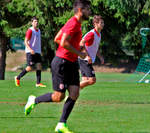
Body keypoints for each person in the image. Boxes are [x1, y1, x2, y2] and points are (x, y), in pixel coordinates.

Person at [24, 0, 91, 133]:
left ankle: (61, 124)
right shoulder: (72, 23)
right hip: (62, 62)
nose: (89, 12)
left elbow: (57, 38)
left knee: (74, 93)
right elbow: (63, 43)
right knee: (58, 97)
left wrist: (76, 49)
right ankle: (34, 100)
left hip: (71, 63)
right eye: (88, 9)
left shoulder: (76, 24)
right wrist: (79, 53)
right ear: (80, 10)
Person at [15, 17, 46, 88]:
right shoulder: (30, 30)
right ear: (32, 23)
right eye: (35, 21)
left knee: (39, 66)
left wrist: (39, 51)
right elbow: (25, 41)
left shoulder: (39, 31)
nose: (36, 23)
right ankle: (18, 77)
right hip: (30, 52)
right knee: (29, 67)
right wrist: (30, 49)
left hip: (37, 52)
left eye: (37, 21)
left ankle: (38, 83)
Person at [79, 15, 104, 89]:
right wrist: (87, 56)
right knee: (92, 80)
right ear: (95, 24)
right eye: (101, 23)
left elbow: (95, 48)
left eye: (103, 23)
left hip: (85, 59)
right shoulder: (91, 34)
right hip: (84, 59)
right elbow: (81, 43)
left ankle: (71, 98)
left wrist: (100, 57)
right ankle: (73, 87)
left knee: (85, 81)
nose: (103, 24)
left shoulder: (99, 34)